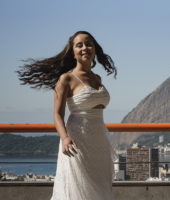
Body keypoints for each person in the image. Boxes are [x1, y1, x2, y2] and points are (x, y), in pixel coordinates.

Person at [17, 31, 117, 200]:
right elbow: (57, 114)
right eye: (80, 45)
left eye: (89, 44)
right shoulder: (66, 79)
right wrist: (64, 138)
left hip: (99, 140)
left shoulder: (97, 78)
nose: (85, 48)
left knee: (100, 188)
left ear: (94, 49)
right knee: (79, 188)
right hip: (77, 140)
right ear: (73, 51)